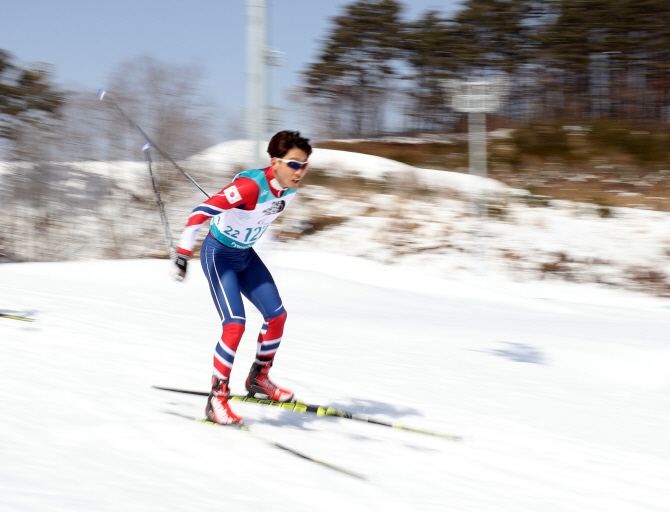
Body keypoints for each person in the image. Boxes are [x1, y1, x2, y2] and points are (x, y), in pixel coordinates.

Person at [173, 130, 312, 425]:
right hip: (219, 255)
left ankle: (259, 380)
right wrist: (183, 254)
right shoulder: (250, 187)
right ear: (275, 162)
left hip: (245, 255)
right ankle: (216, 399)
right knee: (235, 325)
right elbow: (200, 212)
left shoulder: (288, 187)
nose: (299, 172)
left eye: (304, 165)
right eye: (294, 164)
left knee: (277, 316)